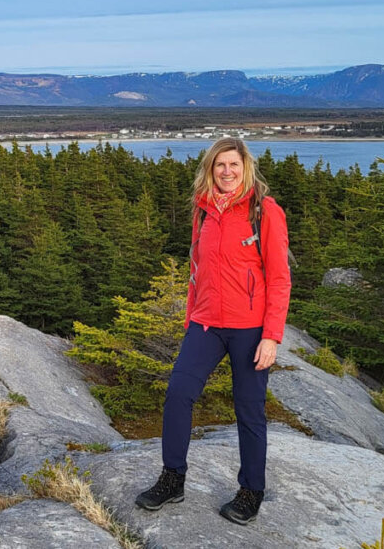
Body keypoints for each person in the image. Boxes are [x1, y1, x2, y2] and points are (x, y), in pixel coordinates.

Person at [135, 137, 291, 525]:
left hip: (250, 328)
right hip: (205, 325)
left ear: (245, 167)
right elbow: (195, 270)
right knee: (177, 394)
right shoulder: (203, 212)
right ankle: (173, 479)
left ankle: (251, 490)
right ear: (210, 169)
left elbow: (280, 278)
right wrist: (191, 318)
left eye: (233, 165)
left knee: (249, 409)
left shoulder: (263, 211)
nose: (226, 172)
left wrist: (271, 335)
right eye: (219, 165)